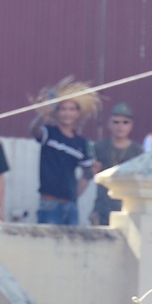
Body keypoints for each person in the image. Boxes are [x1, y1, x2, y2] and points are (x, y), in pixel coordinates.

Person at [33, 90, 92, 225]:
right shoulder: (49, 133)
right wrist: (42, 116)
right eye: (63, 109)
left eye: (72, 109)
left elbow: (88, 172)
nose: (67, 113)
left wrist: (74, 197)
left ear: (78, 113)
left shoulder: (82, 143)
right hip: (49, 202)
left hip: (71, 206)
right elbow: (34, 130)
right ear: (57, 112)